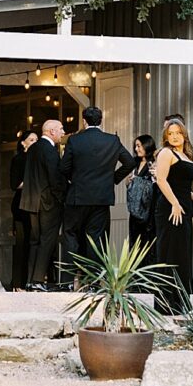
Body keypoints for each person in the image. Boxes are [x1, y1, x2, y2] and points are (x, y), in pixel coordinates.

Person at [59, 104, 132, 280]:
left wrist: (74, 179)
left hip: (77, 197)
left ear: (84, 121)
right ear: (101, 121)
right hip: (101, 198)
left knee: (71, 236)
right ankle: (93, 281)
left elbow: (63, 167)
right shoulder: (112, 140)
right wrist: (112, 179)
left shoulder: (74, 140)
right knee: (96, 239)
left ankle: (67, 281)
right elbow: (130, 162)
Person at [151, 117, 193, 302]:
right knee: (171, 252)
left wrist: (191, 195)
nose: (175, 136)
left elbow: (178, 182)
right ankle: (167, 302)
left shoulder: (186, 155)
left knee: (182, 253)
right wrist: (175, 203)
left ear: (184, 134)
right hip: (171, 209)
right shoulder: (166, 153)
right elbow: (161, 180)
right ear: (166, 136)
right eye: (171, 134)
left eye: (178, 133)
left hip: (184, 207)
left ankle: (181, 301)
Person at [20, 117, 66, 290]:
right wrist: (61, 197)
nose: (63, 132)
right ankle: (38, 280)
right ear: (52, 131)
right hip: (47, 202)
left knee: (35, 241)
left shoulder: (33, 148)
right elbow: (54, 177)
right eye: (61, 129)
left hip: (31, 202)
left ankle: (30, 281)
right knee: (47, 240)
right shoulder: (49, 149)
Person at [8, 130, 38, 290]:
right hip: (21, 204)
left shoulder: (37, 158)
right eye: (31, 140)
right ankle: (18, 283)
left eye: (36, 139)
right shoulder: (19, 159)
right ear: (23, 143)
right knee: (22, 243)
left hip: (35, 204)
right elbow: (14, 184)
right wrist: (34, 182)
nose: (35, 142)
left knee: (33, 243)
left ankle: (30, 281)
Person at [124, 133, 161, 252]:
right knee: (135, 242)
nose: (136, 149)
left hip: (149, 209)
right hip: (135, 209)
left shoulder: (155, 162)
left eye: (139, 146)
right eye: (135, 146)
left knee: (149, 242)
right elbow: (129, 183)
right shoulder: (134, 162)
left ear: (147, 145)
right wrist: (128, 181)